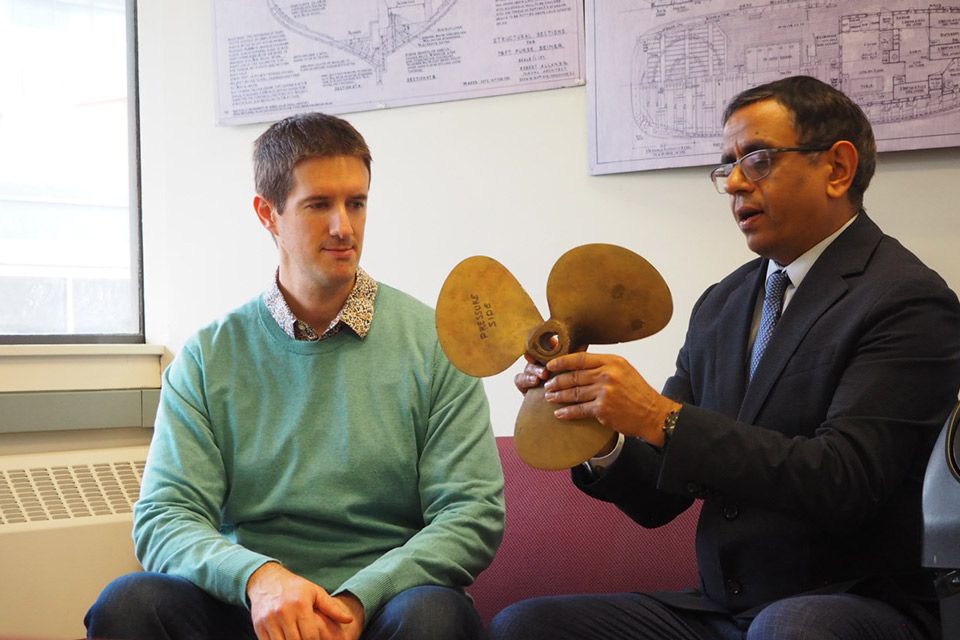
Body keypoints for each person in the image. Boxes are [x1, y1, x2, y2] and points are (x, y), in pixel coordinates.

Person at [486, 75, 960, 639]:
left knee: (790, 628)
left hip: (854, 603)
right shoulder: (722, 303)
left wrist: (659, 417)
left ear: (837, 168)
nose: (734, 182)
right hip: (722, 611)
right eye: (728, 166)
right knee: (527, 625)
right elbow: (659, 498)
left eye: (757, 159)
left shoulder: (907, 300)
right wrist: (594, 422)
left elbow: (845, 481)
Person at [85, 112, 506, 640]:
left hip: (383, 608)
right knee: (129, 603)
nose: (343, 227)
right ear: (268, 214)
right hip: (252, 608)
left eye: (356, 203)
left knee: (436, 616)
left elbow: (470, 513)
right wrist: (261, 580)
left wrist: (356, 600)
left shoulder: (437, 344)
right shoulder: (208, 357)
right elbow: (165, 516)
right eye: (319, 205)